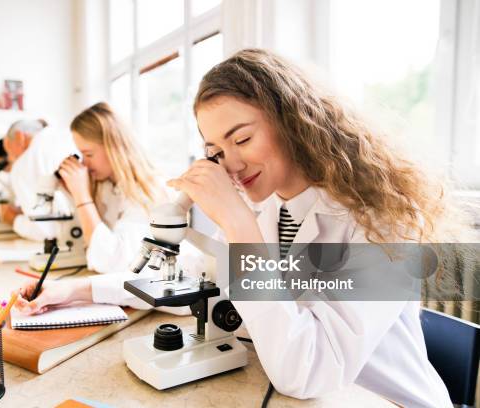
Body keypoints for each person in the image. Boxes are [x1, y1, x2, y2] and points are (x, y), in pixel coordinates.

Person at [166, 49, 463, 407]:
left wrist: (240, 230)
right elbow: (196, 279)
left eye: (242, 140)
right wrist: (92, 289)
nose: (232, 164)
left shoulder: (385, 221)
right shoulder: (263, 207)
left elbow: (307, 372)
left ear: (292, 120)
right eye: (215, 151)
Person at [13, 102, 190, 313]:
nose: (84, 164)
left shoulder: (148, 192)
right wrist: (71, 191)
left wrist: (81, 195)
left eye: (88, 154)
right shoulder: (107, 185)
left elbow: (112, 262)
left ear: (114, 148)